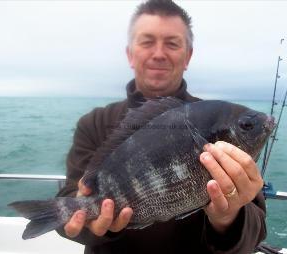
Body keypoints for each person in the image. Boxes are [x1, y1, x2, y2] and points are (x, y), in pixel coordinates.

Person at [56, 0, 266, 253]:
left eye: (172, 43)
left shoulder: (217, 119)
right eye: (146, 42)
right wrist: (88, 223)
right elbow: (70, 200)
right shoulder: (94, 123)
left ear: (188, 56)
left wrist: (229, 217)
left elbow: (255, 232)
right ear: (130, 54)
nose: (158, 53)